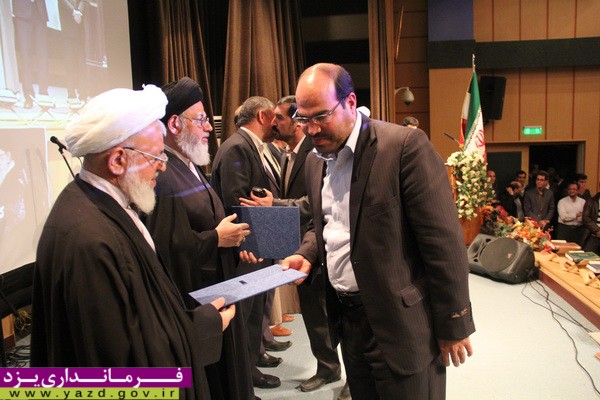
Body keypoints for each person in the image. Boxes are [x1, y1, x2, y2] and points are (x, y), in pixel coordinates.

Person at [282, 63, 474, 399]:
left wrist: (454, 323)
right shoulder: (316, 160)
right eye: (303, 118)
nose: (311, 129)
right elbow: (325, 221)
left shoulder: (403, 147)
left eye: (321, 116)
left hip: (402, 325)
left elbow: (443, 243)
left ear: (350, 102)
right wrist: (307, 253)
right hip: (348, 323)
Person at [30, 85, 234, 400]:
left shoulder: (94, 204)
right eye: (155, 156)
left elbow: (140, 320)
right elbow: (120, 367)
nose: (162, 165)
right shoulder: (91, 241)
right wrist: (203, 327)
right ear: (117, 161)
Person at [143, 77, 255, 400]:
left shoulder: (188, 165)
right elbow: (164, 248)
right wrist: (215, 239)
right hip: (194, 301)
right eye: (201, 119)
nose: (209, 128)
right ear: (174, 124)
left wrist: (235, 243)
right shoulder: (163, 175)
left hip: (217, 291)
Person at [240, 95, 348, 398]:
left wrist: (274, 204)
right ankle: (328, 367)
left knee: (333, 315)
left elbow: (318, 202)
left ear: (298, 122)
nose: (274, 123)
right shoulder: (287, 153)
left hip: (320, 246)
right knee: (313, 314)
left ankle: (349, 374)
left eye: (280, 118)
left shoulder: (318, 153)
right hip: (297, 246)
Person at [211, 96, 282, 390]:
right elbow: (237, 202)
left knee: (253, 313)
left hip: (257, 246)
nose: (278, 122)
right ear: (263, 116)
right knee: (246, 315)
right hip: (247, 251)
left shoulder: (249, 145)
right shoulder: (238, 147)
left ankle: (252, 362)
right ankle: (247, 372)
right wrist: (249, 246)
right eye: (275, 116)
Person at [12, 0, 49, 108]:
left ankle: (44, 95)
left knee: (42, 56)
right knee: (25, 56)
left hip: (39, 12)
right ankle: (28, 96)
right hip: (22, 12)